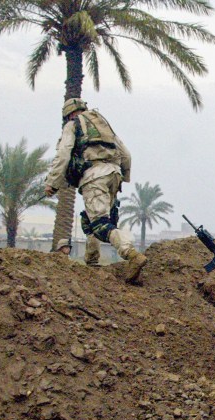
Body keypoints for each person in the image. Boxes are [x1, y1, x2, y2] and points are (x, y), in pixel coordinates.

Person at [44, 98, 147, 283]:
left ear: (69, 114)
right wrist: (124, 176)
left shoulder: (73, 125)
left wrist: (52, 182)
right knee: (91, 219)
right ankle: (91, 261)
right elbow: (126, 155)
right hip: (114, 174)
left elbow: (63, 154)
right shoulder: (103, 124)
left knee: (100, 225)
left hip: (94, 176)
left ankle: (131, 254)